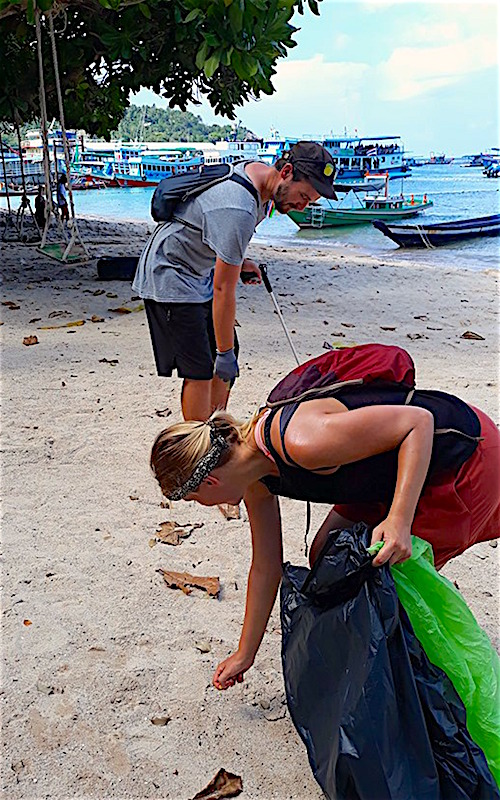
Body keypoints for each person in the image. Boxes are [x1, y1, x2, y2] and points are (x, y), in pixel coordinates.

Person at [149, 366, 499, 690]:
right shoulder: (255, 478)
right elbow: (266, 567)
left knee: (396, 574)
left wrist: (399, 519)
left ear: (209, 482)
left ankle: (430, 681)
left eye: (195, 500)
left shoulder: (300, 441)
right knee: (328, 554)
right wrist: (246, 653)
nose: (204, 507)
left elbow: (417, 424)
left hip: (461, 458)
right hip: (381, 471)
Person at [132, 142, 337, 423]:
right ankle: (197, 445)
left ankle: (214, 428)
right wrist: (224, 353)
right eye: (303, 196)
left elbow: (217, 234)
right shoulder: (238, 205)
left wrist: (240, 264)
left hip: (198, 270)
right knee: (202, 367)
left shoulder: (262, 182)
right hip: (170, 273)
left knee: (226, 355)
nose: (302, 206)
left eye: (310, 202)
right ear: (286, 172)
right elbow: (223, 289)